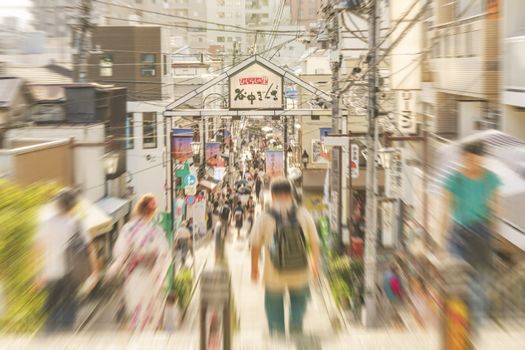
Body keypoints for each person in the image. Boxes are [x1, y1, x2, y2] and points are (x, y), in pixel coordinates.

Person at [441, 140, 501, 329]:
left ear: (482, 159)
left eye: (476, 159)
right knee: (458, 276)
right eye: (467, 158)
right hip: (459, 232)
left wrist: (495, 231)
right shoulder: (454, 180)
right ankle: (457, 322)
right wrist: (442, 239)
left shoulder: (491, 179)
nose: (471, 163)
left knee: (480, 281)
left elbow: (497, 208)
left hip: (482, 231)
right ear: (462, 158)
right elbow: (445, 210)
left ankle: (474, 323)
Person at [251, 178, 321, 335]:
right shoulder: (303, 213)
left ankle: (279, 339)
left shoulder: (264, 216)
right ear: (291, 194)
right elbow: (315, 242)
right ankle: (296, 329)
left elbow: (255, 245)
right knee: (299, 304)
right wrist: (315, 264)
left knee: (274, 311)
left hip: (273, 273)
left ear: (272, 195)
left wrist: (254, 268)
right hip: (301, 272)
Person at [35, 189, 100, 332]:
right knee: (68, 318)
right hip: (72, 276)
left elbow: (37, 249)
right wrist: (94, 273)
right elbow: (90, 249)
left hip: (51, 275)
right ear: (72, 205)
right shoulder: (77, 224)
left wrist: (37, 275)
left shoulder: (46, 223)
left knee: (51, 316)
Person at [108, 194, 171, 331]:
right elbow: (164, 256)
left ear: (138, 209)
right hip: (151, 277)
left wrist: (115, 268)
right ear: (153, 211)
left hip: (133, 278)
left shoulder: (128, 229)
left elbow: (121, 254)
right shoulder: (156, 231)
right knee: (148, 318)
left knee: (136, 315)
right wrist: (160, 278)